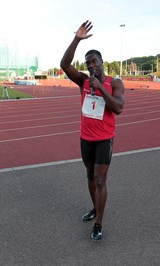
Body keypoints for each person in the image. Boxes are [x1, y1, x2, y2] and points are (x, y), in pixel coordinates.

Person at [60, 20, 125, 241]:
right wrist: (77, 38)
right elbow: (64, 65)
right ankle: (95, 208)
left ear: (102, 62)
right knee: (89, 175)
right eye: (87, 63)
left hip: (104, 139)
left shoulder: (115, 83)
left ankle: (98, 223)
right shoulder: (83, 81)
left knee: (100, 180)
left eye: (94, 61)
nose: (90, 66)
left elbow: (118, 108)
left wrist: (100, 89)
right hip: (85, 138)